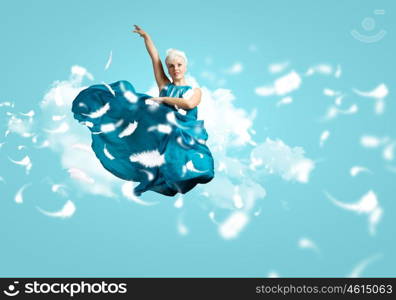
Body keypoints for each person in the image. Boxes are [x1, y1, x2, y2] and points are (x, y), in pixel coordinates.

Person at [71, 25, 215, 197]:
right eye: (171, 66)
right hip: (164, 133)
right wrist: (147, 38)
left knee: (196, 165)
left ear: (185, 66)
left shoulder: (194, 90)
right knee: (143, 114)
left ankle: (176, 172)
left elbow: (189, 104)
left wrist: (163, 99)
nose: (175, 69)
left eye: (179, 65)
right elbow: (155, 59)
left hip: (185, 133)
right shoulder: (165, 85)